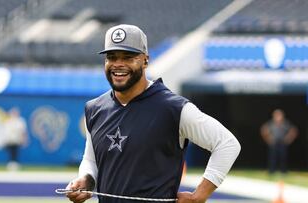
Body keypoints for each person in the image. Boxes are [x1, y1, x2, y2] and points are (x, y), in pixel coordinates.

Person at [66, 24, 241, 203]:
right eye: (111, 57)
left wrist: (200, 195)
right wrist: (86, 180)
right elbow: (92, 160)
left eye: (128, 57)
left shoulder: (173, 108)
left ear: (145, 60)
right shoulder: (94, 108)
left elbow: (227, 144)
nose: (118, 64)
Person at [260, 109, 298, 175]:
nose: (278, 117)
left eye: (279, 115)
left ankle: (283, 171)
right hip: (274, 143)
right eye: (276, 115)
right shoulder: (271, 123)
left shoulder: (285, 123)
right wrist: (268, 138)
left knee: (283, 157)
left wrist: (288, 139)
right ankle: (271, 171)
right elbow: (263, 129)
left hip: (282, 143)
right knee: (272, 158)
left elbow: (293, 130)